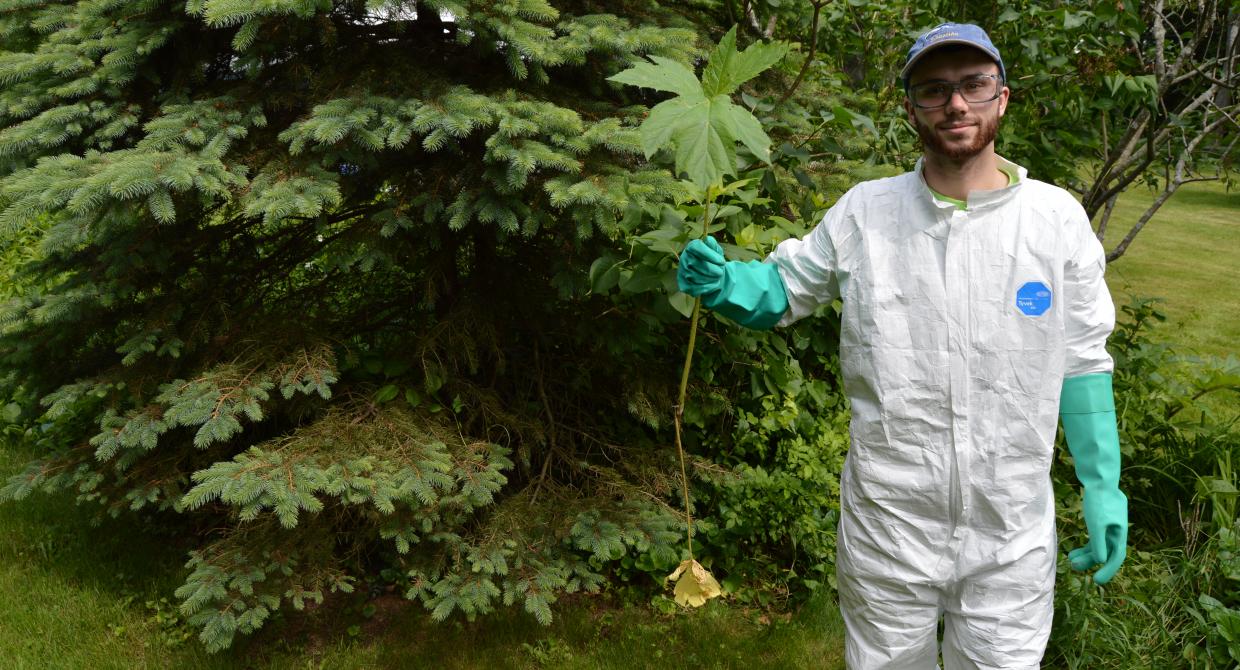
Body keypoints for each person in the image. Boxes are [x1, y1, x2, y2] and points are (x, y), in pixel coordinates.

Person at [677, 22, 1128, 669]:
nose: (956, 104)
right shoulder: (867, 213)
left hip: (1011, 529)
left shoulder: (1054, 223)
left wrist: (1102, 483)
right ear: (910, 107)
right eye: (935, 89)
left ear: (1003, 95)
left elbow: (1084, 358)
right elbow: (785, 287)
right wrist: (726, 283)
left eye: (973, 85)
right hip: (890, 524)